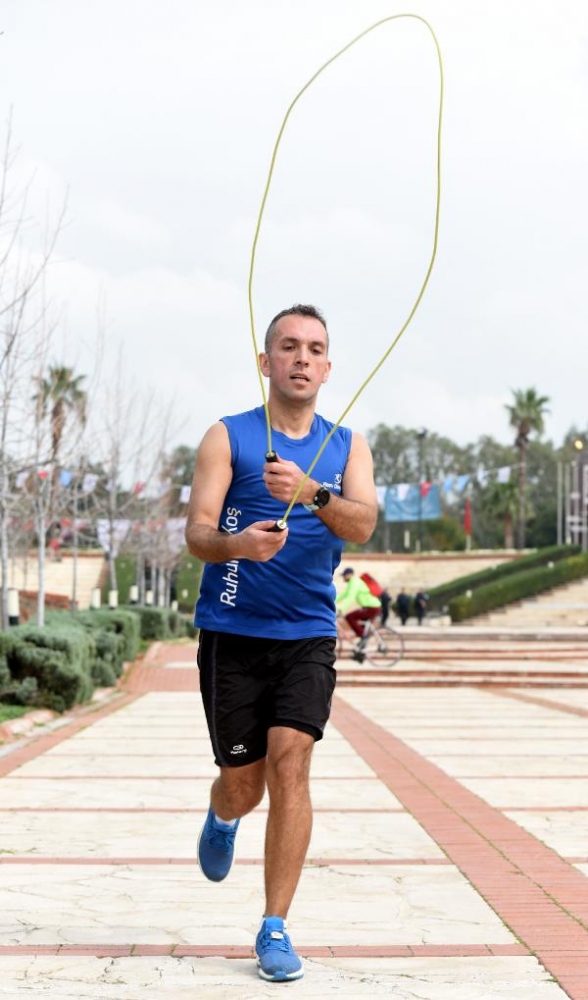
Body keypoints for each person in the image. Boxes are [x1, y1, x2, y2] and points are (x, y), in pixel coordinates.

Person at [185, 304, 377, 983]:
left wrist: (313, 493)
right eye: (289, 346)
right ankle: (222, 813)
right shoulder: (228, 436)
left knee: (291, 765)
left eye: (315, 349)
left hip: (308, 637)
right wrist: (238, 544)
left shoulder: (347, 446)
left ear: (328, 368)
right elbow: (197, 533)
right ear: (266, 361)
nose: (302, 358)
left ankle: (274, 927)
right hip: (232, 634)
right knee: (246, 787)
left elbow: (363, 525)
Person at [336, 567, 381, 638]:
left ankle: (363, 636)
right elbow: (343, 595)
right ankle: (363, 639)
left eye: (344, 575)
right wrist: (331, 602)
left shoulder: (355, 582)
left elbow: (350, 598)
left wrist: (341, 610)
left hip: (372, 607)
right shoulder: (352, 583)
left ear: (349, 575)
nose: (343, 578)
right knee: (361, 627)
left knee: (350, 617)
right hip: (370, 607)